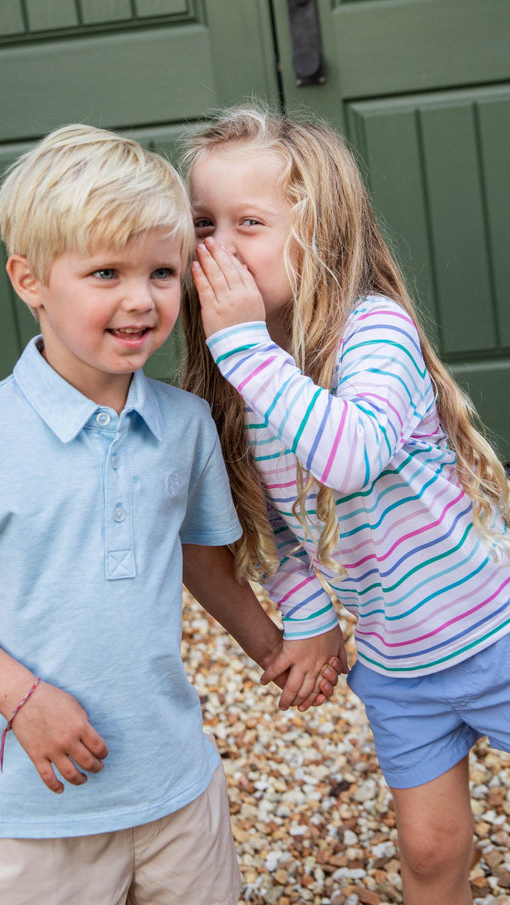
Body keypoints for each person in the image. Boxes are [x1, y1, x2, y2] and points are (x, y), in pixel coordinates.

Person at [0, 124, 341, 905]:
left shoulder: (184, 424)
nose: (140, 299)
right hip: (31, 813)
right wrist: (23, 699)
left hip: (176, 792)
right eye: (105, 272)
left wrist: (277, 645)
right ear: (29, 278)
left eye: (163, 272)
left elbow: (202, 558)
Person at [180, 104, 510, 905]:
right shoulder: (250, 376)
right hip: (401, 669)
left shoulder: (374, 332)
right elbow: (281, 533)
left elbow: (350, 455)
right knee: (429, 853)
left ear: (318, 231)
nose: (216, 247)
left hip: (495, 629)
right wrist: (308, 613)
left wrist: (242, 348)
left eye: (247, 222)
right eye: (202, 223)